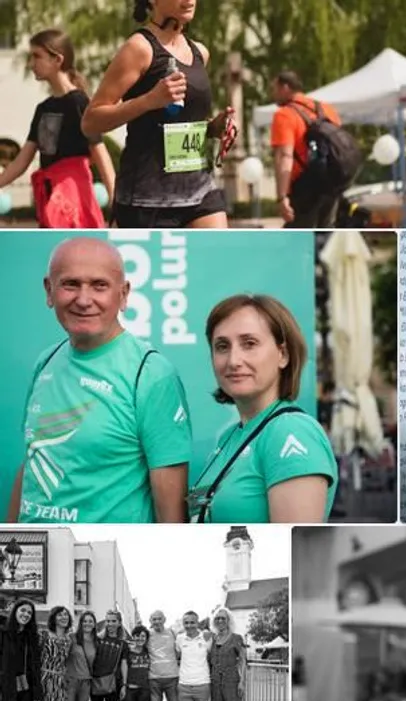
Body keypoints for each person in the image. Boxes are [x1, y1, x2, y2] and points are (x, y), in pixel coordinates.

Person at [11, 237, 194, 524]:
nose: (84, 300)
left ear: (123, 295)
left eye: (99, 286)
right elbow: (30, 467)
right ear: (49, 291)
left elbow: (171, 519)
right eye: (70, 284)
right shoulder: (46, 361)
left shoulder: (151, 374)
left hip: (100, 558)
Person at [83, 0, 238, 228]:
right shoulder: (139, 48)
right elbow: (90, 121)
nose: (189, 0)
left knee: (217, 259)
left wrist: (213, 128)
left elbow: (179, 121)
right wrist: (149, 101)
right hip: (147, 199)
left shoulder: (200, 52)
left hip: (201, 191)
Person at [191, 294, 337, 523]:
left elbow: (287, 549)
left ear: (283, 355)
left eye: (249, 344)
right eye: (222, 346)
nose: (233, 360)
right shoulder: (230, 437)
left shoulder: (291, 430)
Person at [0, 30, 114, 227]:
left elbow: (99, 151)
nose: (31, 63)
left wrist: (115, 197)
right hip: (50, 198)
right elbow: (21, 162)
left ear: (58, 60)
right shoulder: (43, 109)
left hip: (75, 199)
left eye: (37, 56)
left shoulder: (79, 103)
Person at [268, 71, 348, 227]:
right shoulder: (326, 109)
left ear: (285, 87)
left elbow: (285, 156)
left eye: (274, 89)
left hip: (304, 187)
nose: (273, 94)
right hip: (331, 183)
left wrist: (282, 196)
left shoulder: (285, 115)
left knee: (297, 242)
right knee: (324, 237)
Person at [145, 609, 181, 701]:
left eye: (159, 618)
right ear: (150, 621)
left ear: (164, 619)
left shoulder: (172, 633)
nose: (157, 621)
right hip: (154, 680)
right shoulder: (147, 635)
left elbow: (180, 652)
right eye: (154, 619)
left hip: (172, 679)